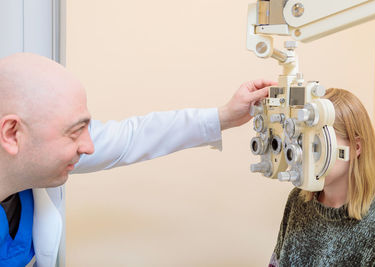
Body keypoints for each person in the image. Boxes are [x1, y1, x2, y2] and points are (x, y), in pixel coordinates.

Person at [0, 53, 275, 267]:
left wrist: (224, 116)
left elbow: (132, 137)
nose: (90, 146)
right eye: (75, 132)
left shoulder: (37, 156)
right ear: (12, 134)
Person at [269, 88, 375, 266]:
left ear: (355, 147)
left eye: (317, 144)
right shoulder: (297, 200)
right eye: (304, 140)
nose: (306, 156)